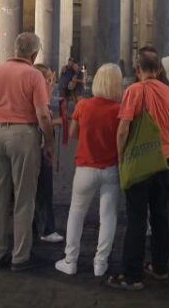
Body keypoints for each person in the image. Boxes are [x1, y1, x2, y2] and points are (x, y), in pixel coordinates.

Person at [0, 32, 54, 271]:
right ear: (34, 54)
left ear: (14, 49)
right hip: (23, 134)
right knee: (24, 197)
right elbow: (42, 114)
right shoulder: (34, 75)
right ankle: (20, 255)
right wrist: (49, 142)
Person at [107, 47, 169, 291]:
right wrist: (167, 151)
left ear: (137, 69)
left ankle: (132, 275)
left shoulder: (135, 91)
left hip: (139, 162)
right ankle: (160, 267)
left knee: (137, 219)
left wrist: (121, 157)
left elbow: (123, 129)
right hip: (163, 162)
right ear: (159, 70)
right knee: (160, 215)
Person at [55, 63, 123, 277]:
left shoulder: (83, 105)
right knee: (108, 216)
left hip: (85, 166)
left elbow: (73, 133)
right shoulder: (119, 110)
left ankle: (70, 260)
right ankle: (100, 263)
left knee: (76, 213)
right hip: (111, 168)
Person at [32, 63, 64, 244]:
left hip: (33, 147)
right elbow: (42, 119)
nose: (52, 83)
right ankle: (46, 229)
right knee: (44, 189)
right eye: (49, 79)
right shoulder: (39, 97)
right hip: (40, 147)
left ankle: (35, 226)